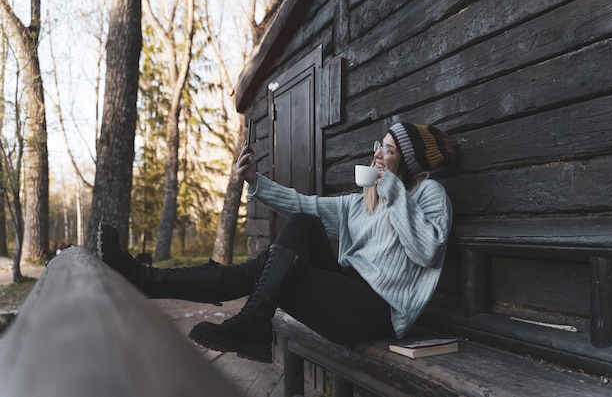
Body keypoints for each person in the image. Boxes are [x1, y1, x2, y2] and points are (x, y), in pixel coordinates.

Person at [98, 122, 457, 363]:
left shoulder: (429, 194)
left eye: (389, 151)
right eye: (380, 146)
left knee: (278, 272)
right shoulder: (361, 203)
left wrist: (392, 189)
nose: (378, 153)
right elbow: (304, 205)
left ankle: (155, 284)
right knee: (298, 229)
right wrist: (255, 181)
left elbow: (427, 251)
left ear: (407, 163)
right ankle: (148, 281)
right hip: (346, 292)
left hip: (379, 311)